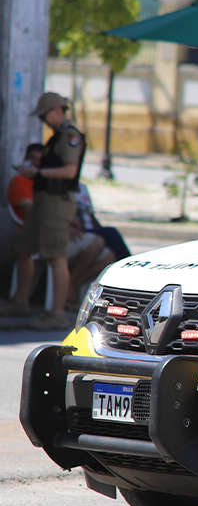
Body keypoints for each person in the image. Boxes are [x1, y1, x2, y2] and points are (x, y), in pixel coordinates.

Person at [1, 93, 86, 329]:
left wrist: (37, 174)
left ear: (57, 110)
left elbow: (69, 171)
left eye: (44, 115)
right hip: (43, 200)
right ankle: (20, 301)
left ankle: (57, 314)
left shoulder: (70, 136)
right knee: (23, 248)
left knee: (56, 257)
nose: (43, 121)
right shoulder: (56, 137)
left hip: (57, 201)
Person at [7, 143, 41, 224]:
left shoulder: (43, 182)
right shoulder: (19, 181)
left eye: (41, 160)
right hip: (33, 231)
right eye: (33, 159)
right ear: (26, 159)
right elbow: (30, 213)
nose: (37, 163)